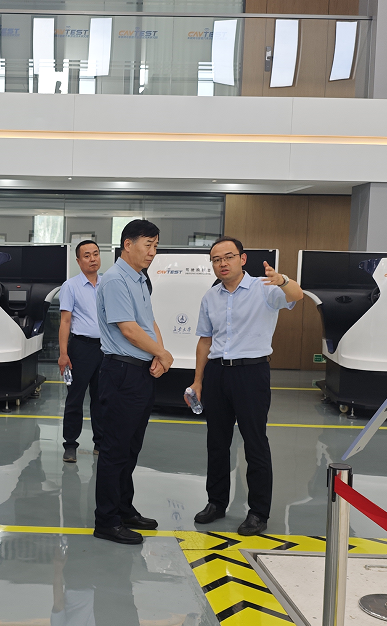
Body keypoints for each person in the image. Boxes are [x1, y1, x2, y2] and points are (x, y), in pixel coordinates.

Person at [188, 236, 303, 536]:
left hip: (251, 373)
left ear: (242, 259)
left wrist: (282, 279)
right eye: (216, 260)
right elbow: (204, 341)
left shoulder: (265, 288)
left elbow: (297, 295)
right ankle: (216, 503)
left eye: (228, 257)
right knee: (217, 442)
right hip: (217, 374)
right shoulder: (210, 297)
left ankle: (258, 512)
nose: (222, 264)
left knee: (254, 442)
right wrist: (198, 381)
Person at [92, 220, 172, 545]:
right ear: (128, 244)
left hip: (140, 372)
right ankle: (106, 520)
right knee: (115, 449)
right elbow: (128, 329)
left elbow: (149, 322)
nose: (152, 252)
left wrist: (159, 354)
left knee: (131, 447)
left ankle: (124, 508)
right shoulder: (115, 280)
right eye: (147, 245)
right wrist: (162, 354)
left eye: (156, 246)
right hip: (121, 373)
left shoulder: (139, 279)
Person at [57, 239, 104, 463]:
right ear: (78, 261)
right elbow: (65, 321)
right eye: (87, 255)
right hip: (81, 348)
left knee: (102, 398)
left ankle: (100, 443)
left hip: (106, 348)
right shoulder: (71, 286)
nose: (92, 259)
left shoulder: (108, 284)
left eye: (95, 254)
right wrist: (63, 353)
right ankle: (70, 445)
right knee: (75, 398)